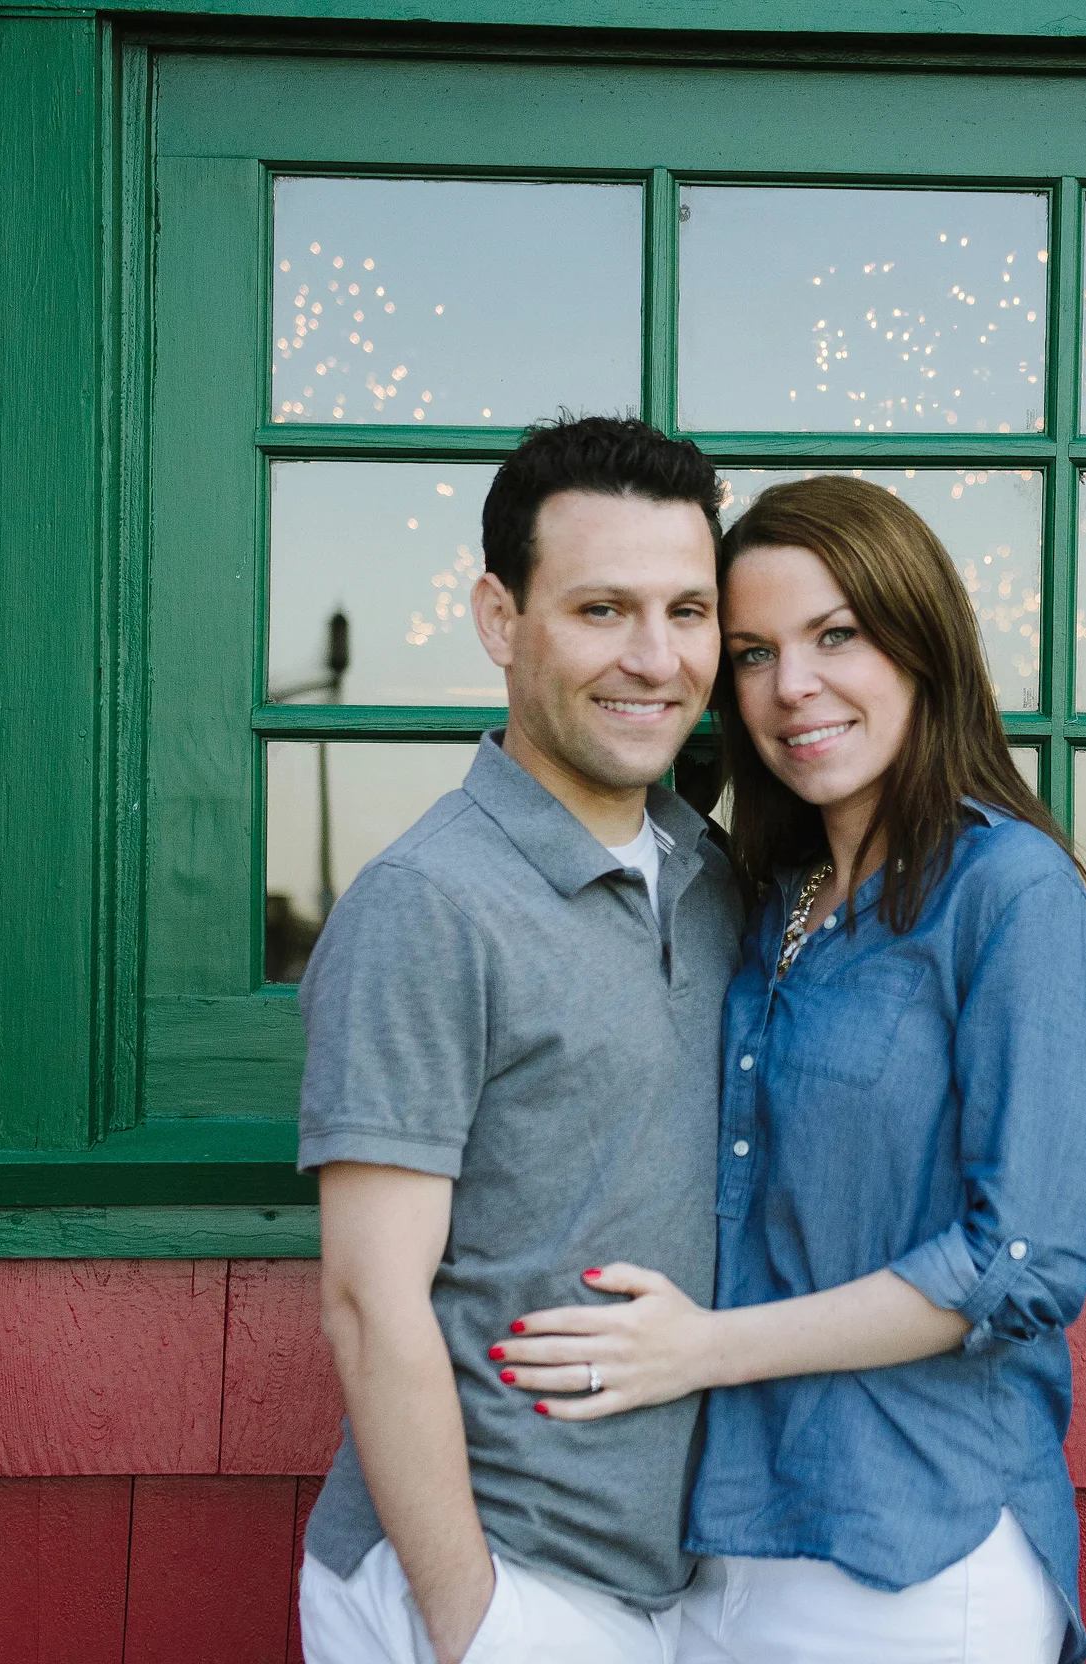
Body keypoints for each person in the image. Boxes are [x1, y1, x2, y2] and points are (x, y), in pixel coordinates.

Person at [495, 475, 1086, 1664]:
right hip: (724, 1537)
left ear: (922, 642)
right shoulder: (768, 898)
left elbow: (1023, 1258)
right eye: (751, 652)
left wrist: (701, 1346)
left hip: (912, 1549)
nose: (792, 686)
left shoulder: (1011, 897)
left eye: (836, 634)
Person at [294, 416, 743, 1664]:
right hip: (503, 1576)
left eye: (688, 611)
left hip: (676, 1580)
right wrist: (471, 1619)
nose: (655, 658)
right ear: (501, 619)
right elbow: (366, 1296)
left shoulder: (710, 878)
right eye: (602, 609)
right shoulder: (427, 903)